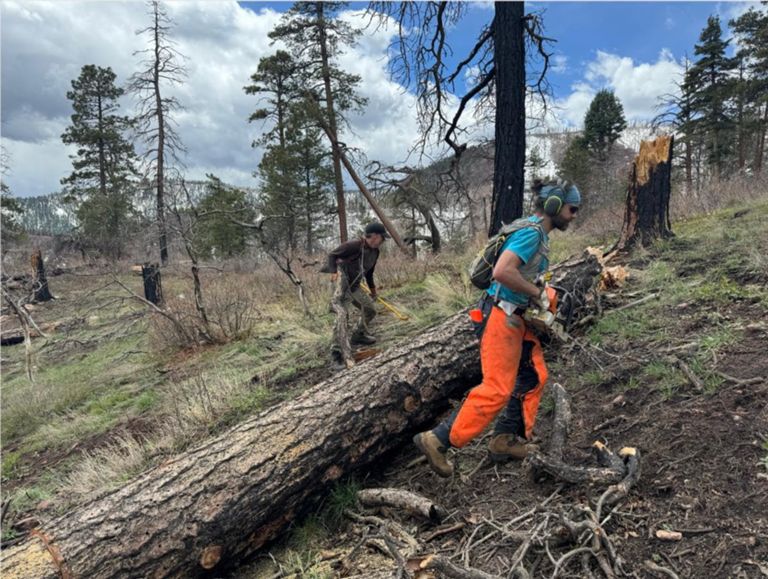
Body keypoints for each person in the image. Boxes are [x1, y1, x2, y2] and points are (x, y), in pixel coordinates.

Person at [413, 181, 581, 477]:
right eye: (572, 209)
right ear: (555, 206)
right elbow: (502, 272)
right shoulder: (531, 234)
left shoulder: (534, 230)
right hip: (502, 316)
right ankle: (437, 440)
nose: (574, 215)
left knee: (532, 375)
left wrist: (541, 292)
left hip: (513, 316)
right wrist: (535, 293)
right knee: (497, 387)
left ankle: (503, 440)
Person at [322, 222, 389, 368]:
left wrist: (373, 291)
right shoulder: (353, 245)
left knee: (370, 309)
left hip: (356, 285)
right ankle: (336, 353)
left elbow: (369, 272)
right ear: (376, 236)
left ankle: (358, 334)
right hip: (342, 283)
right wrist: (334, 272)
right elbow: (332, 255)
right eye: (382, 238)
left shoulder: (375, 252)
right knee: (342, 315)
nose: (382, 241)